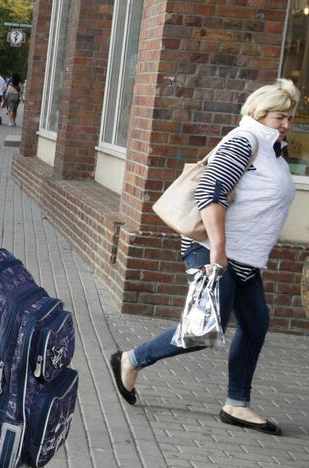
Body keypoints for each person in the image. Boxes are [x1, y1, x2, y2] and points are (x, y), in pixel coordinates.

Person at [110, 79, 300, 436]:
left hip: (245, 259)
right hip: (217, 253)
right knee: (200, 331)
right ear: (259, 113)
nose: (286, 124)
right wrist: (218, 252)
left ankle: (237, 404)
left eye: (289, 117)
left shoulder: (272, 146)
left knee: (254, 325)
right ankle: (130, 360)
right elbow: (210, 194)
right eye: (280, 117)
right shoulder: (243, 141)